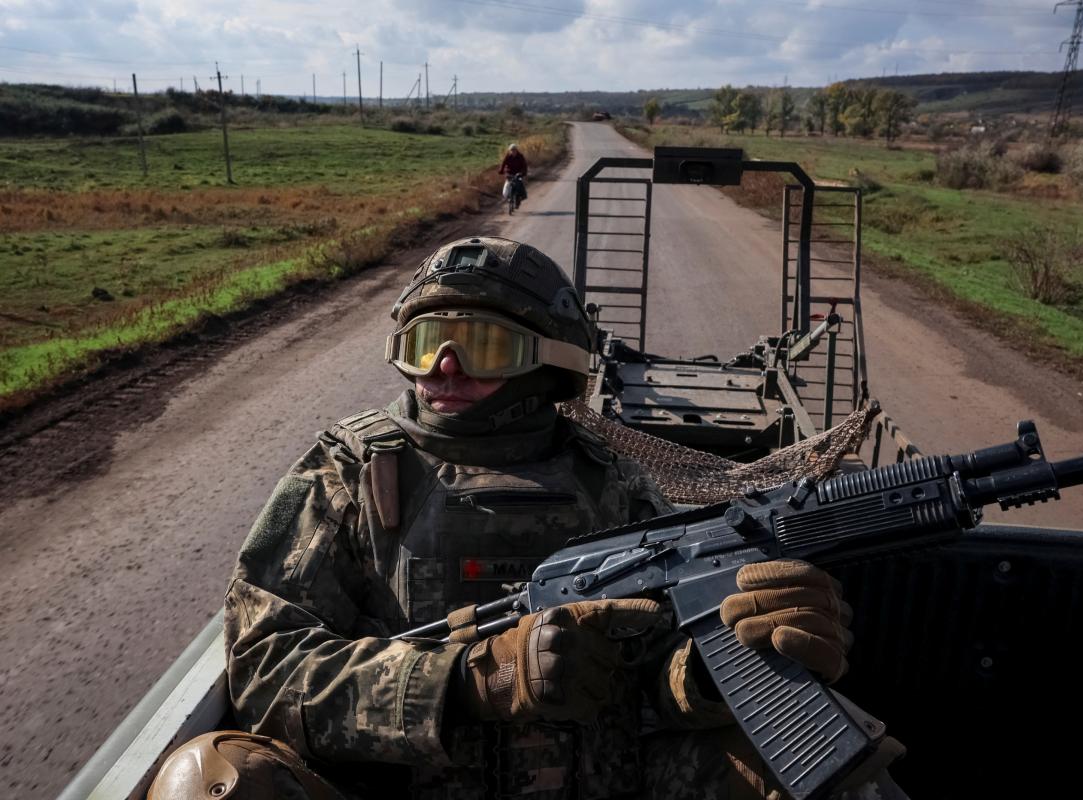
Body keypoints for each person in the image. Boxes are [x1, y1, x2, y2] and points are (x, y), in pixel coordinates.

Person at [148, 236, 905, 800]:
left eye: (479, 344)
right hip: (413, 784)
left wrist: (712, 672)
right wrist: (473, 679)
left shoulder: (611, 481)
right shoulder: (349, 473)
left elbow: (660, 671)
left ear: (548, 363)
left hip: (609, 779)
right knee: (208, 782)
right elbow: (267, 669)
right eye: (424, 343)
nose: (443, 366)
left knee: (829, 764)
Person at [498, 143, 528, 208]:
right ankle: (508, 197)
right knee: (506, 187)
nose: (513, 151)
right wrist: (501, 171)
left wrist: (522, 173)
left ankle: (519, 199)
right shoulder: (508, 156)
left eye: (514, 150)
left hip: (518, 173)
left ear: (517, 150)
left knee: (519, 185)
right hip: (509, 173)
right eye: (512, 150)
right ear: (510, 151)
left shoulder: (520, 156)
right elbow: (503, 164)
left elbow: (524, 166)